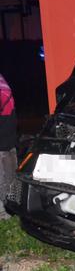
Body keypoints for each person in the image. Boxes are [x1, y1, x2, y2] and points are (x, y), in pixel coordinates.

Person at [0, 74, 17, 220]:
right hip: (7, 144)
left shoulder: (2, 87)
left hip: (7, 144)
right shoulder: (3, 85)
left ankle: (11, 210)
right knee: (6, 180)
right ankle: (4, 213)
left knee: (9, 179)